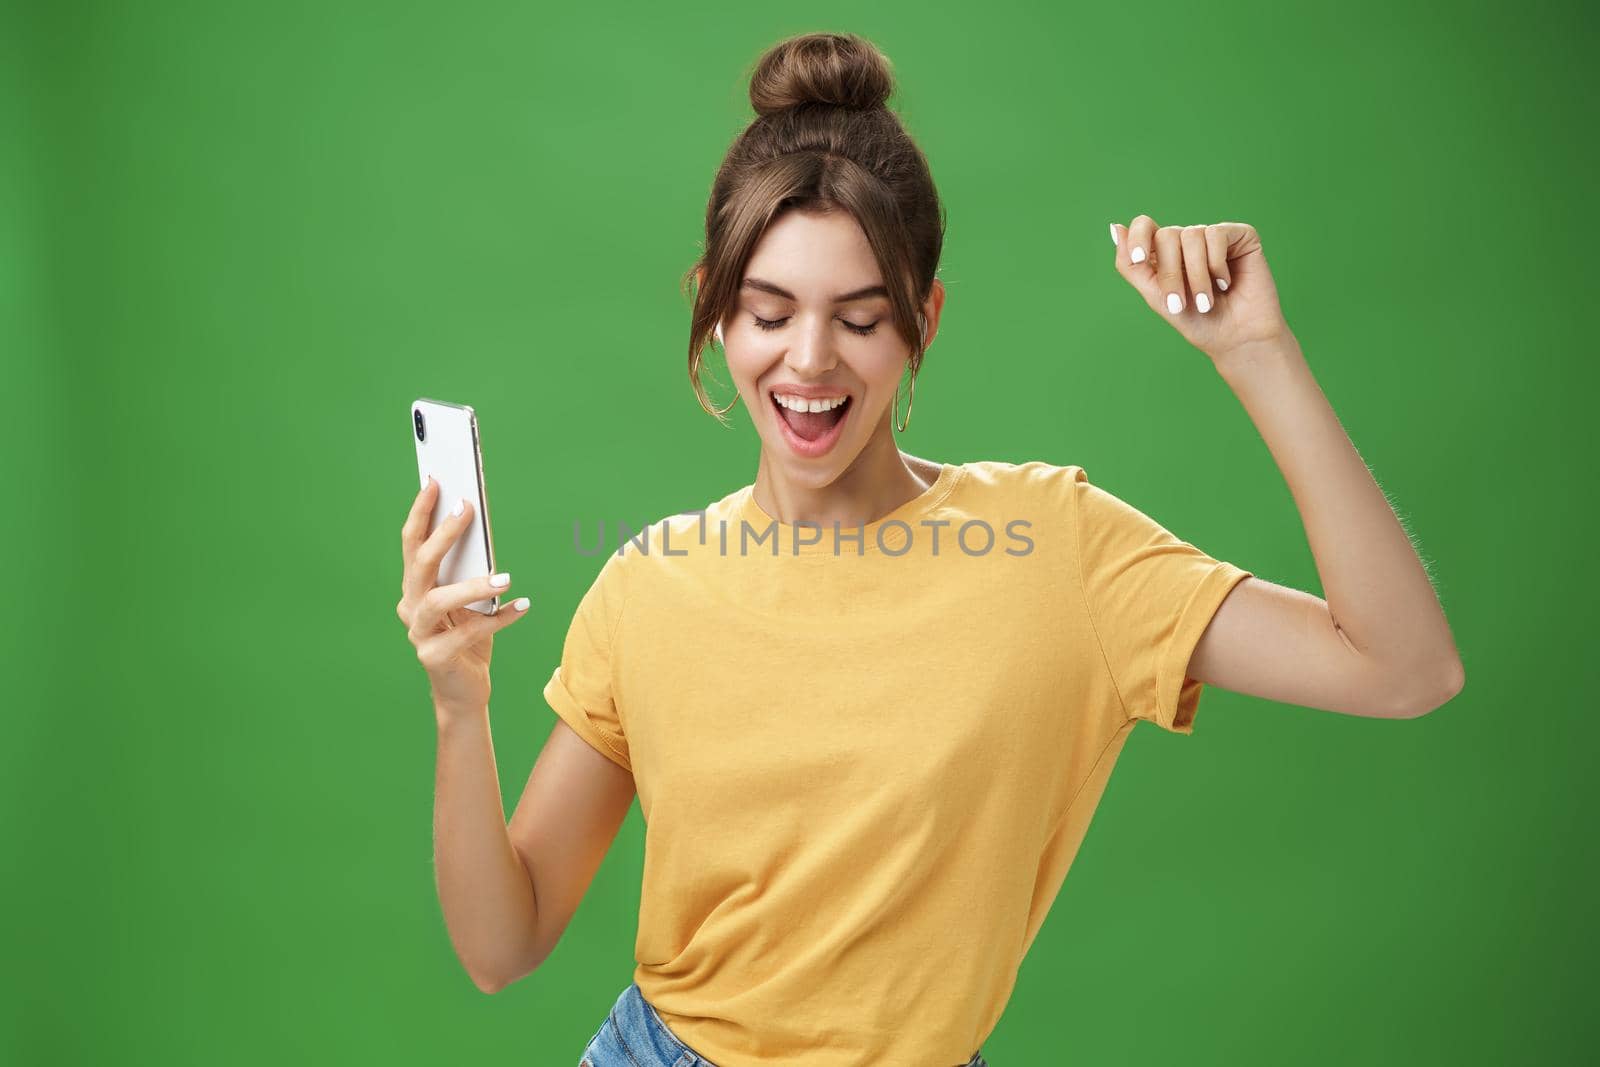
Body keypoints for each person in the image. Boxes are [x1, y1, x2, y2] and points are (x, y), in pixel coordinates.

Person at [396, 31, 1465, 1067]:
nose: (808, 360)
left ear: (924, 319)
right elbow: (504, 943)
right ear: (715, 314)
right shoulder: (647, 583)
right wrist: (459, 701)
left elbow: (1404, 667)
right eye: (768, 311)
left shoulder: (1057, 549)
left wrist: (1256, 353)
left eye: (859, 319)